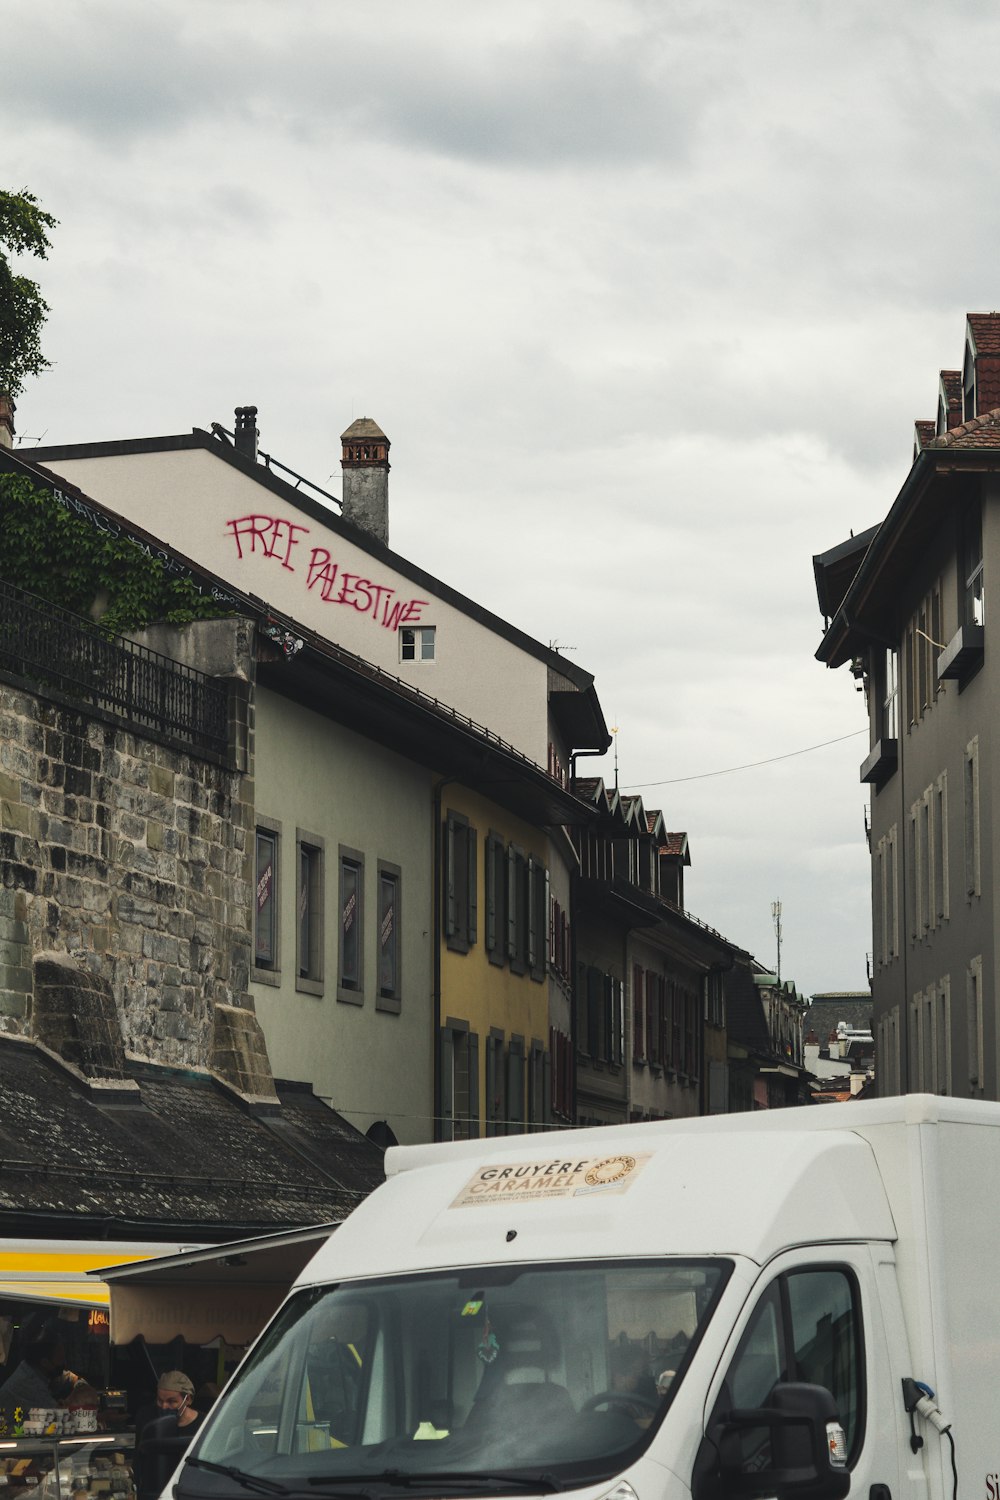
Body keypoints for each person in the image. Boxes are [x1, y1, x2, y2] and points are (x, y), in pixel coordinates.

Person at [135, 1372, 205, 1500]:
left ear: (188, 1399)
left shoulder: (204, 1424)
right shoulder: (147, 1418)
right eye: (160, 1400)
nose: (164, 1406)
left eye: (172, 1401)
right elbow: (139, 1459)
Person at [0, 1339, 76, 1424]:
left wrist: (79, 1383)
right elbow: (61, 1417)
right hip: (8, 1434)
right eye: (60, 1360)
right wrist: (73, 1399)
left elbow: (66, 1378)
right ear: (45, 1363)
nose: (64, 1363)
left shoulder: (33, 1368)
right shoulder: (29, 1384)